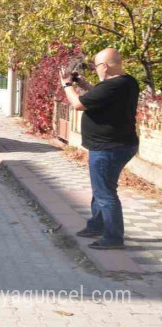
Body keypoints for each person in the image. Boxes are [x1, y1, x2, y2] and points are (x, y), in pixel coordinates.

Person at [59, 48, 140, 250]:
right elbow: (100, 95)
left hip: (108, 147)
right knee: (102, 188)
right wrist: (83, 84)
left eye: (96, 66)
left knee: (105, 192)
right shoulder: (128, 81)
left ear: (104, 66)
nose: (95, 70)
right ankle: (97, 225)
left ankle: (113, 237)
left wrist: (67, 85)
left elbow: (78, 104)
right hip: (120, 144)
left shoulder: (113, 86)